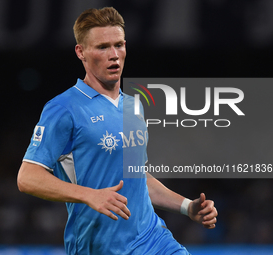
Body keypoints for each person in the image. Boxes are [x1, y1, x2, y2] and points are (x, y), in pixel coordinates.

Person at [17, 7, 218, 255]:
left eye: (119, 45)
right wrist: (90, 195)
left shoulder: (134, 106)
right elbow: (27, 177)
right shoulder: (64, 108)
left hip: (153, 240)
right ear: (81, 52)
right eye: (102, 47)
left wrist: (187, 206)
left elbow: (138, 178)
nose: (114, 55)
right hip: (99, 247)